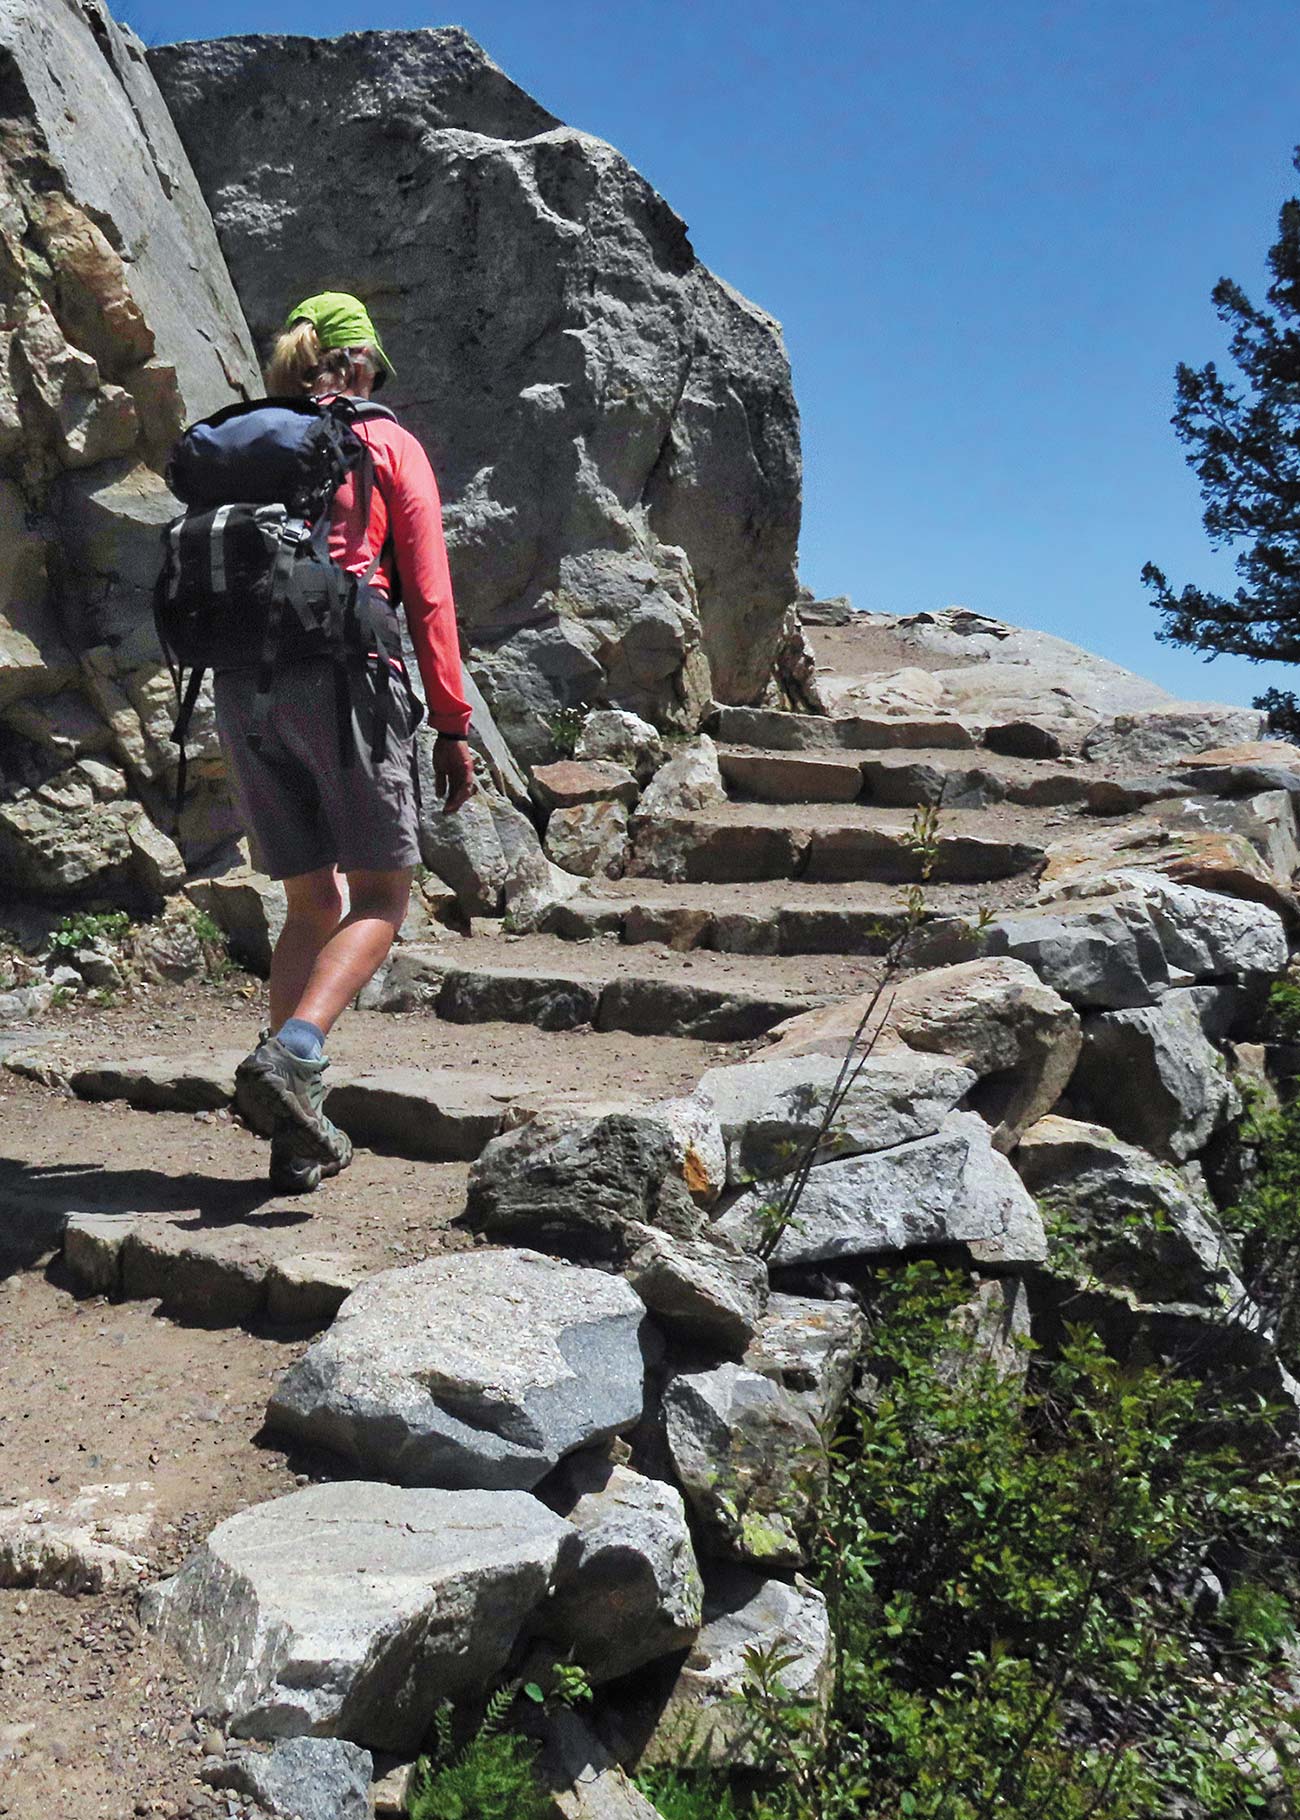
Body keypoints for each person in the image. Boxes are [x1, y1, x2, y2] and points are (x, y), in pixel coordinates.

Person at [220, 291, 475, 1192]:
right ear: (363, 363)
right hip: (346, 678)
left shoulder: (251, 445)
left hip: (241, 684)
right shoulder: (387, 444)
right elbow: (431, 595)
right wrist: (452, 723)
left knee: (308, 904)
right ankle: (295, 1052)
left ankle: (295, 1134)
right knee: (380, 896)